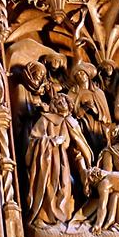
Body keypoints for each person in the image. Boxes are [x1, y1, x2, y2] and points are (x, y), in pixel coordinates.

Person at [25, 92, 93, 227]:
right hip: (48, 161)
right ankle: (43, 218)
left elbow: (78, 146)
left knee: (65, 188)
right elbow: (33, 140)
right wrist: (51, 141)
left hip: (65, 163)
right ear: (55, 106)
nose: (63, 104)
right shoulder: (46, 119)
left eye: (65, 102)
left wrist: (83, 168)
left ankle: (62, 219)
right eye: (59, 102)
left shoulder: (73, 123)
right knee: (49, 187)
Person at [66, 62, 111, 147]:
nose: (80, 76)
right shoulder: (73, 92)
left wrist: (95, 109)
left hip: (97, 125)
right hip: (80, 125)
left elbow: (106, 115)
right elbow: (68, 112)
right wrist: (83, 108)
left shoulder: (98, 92)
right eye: (77, 75)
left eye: (82, 73)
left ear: (87, 75)